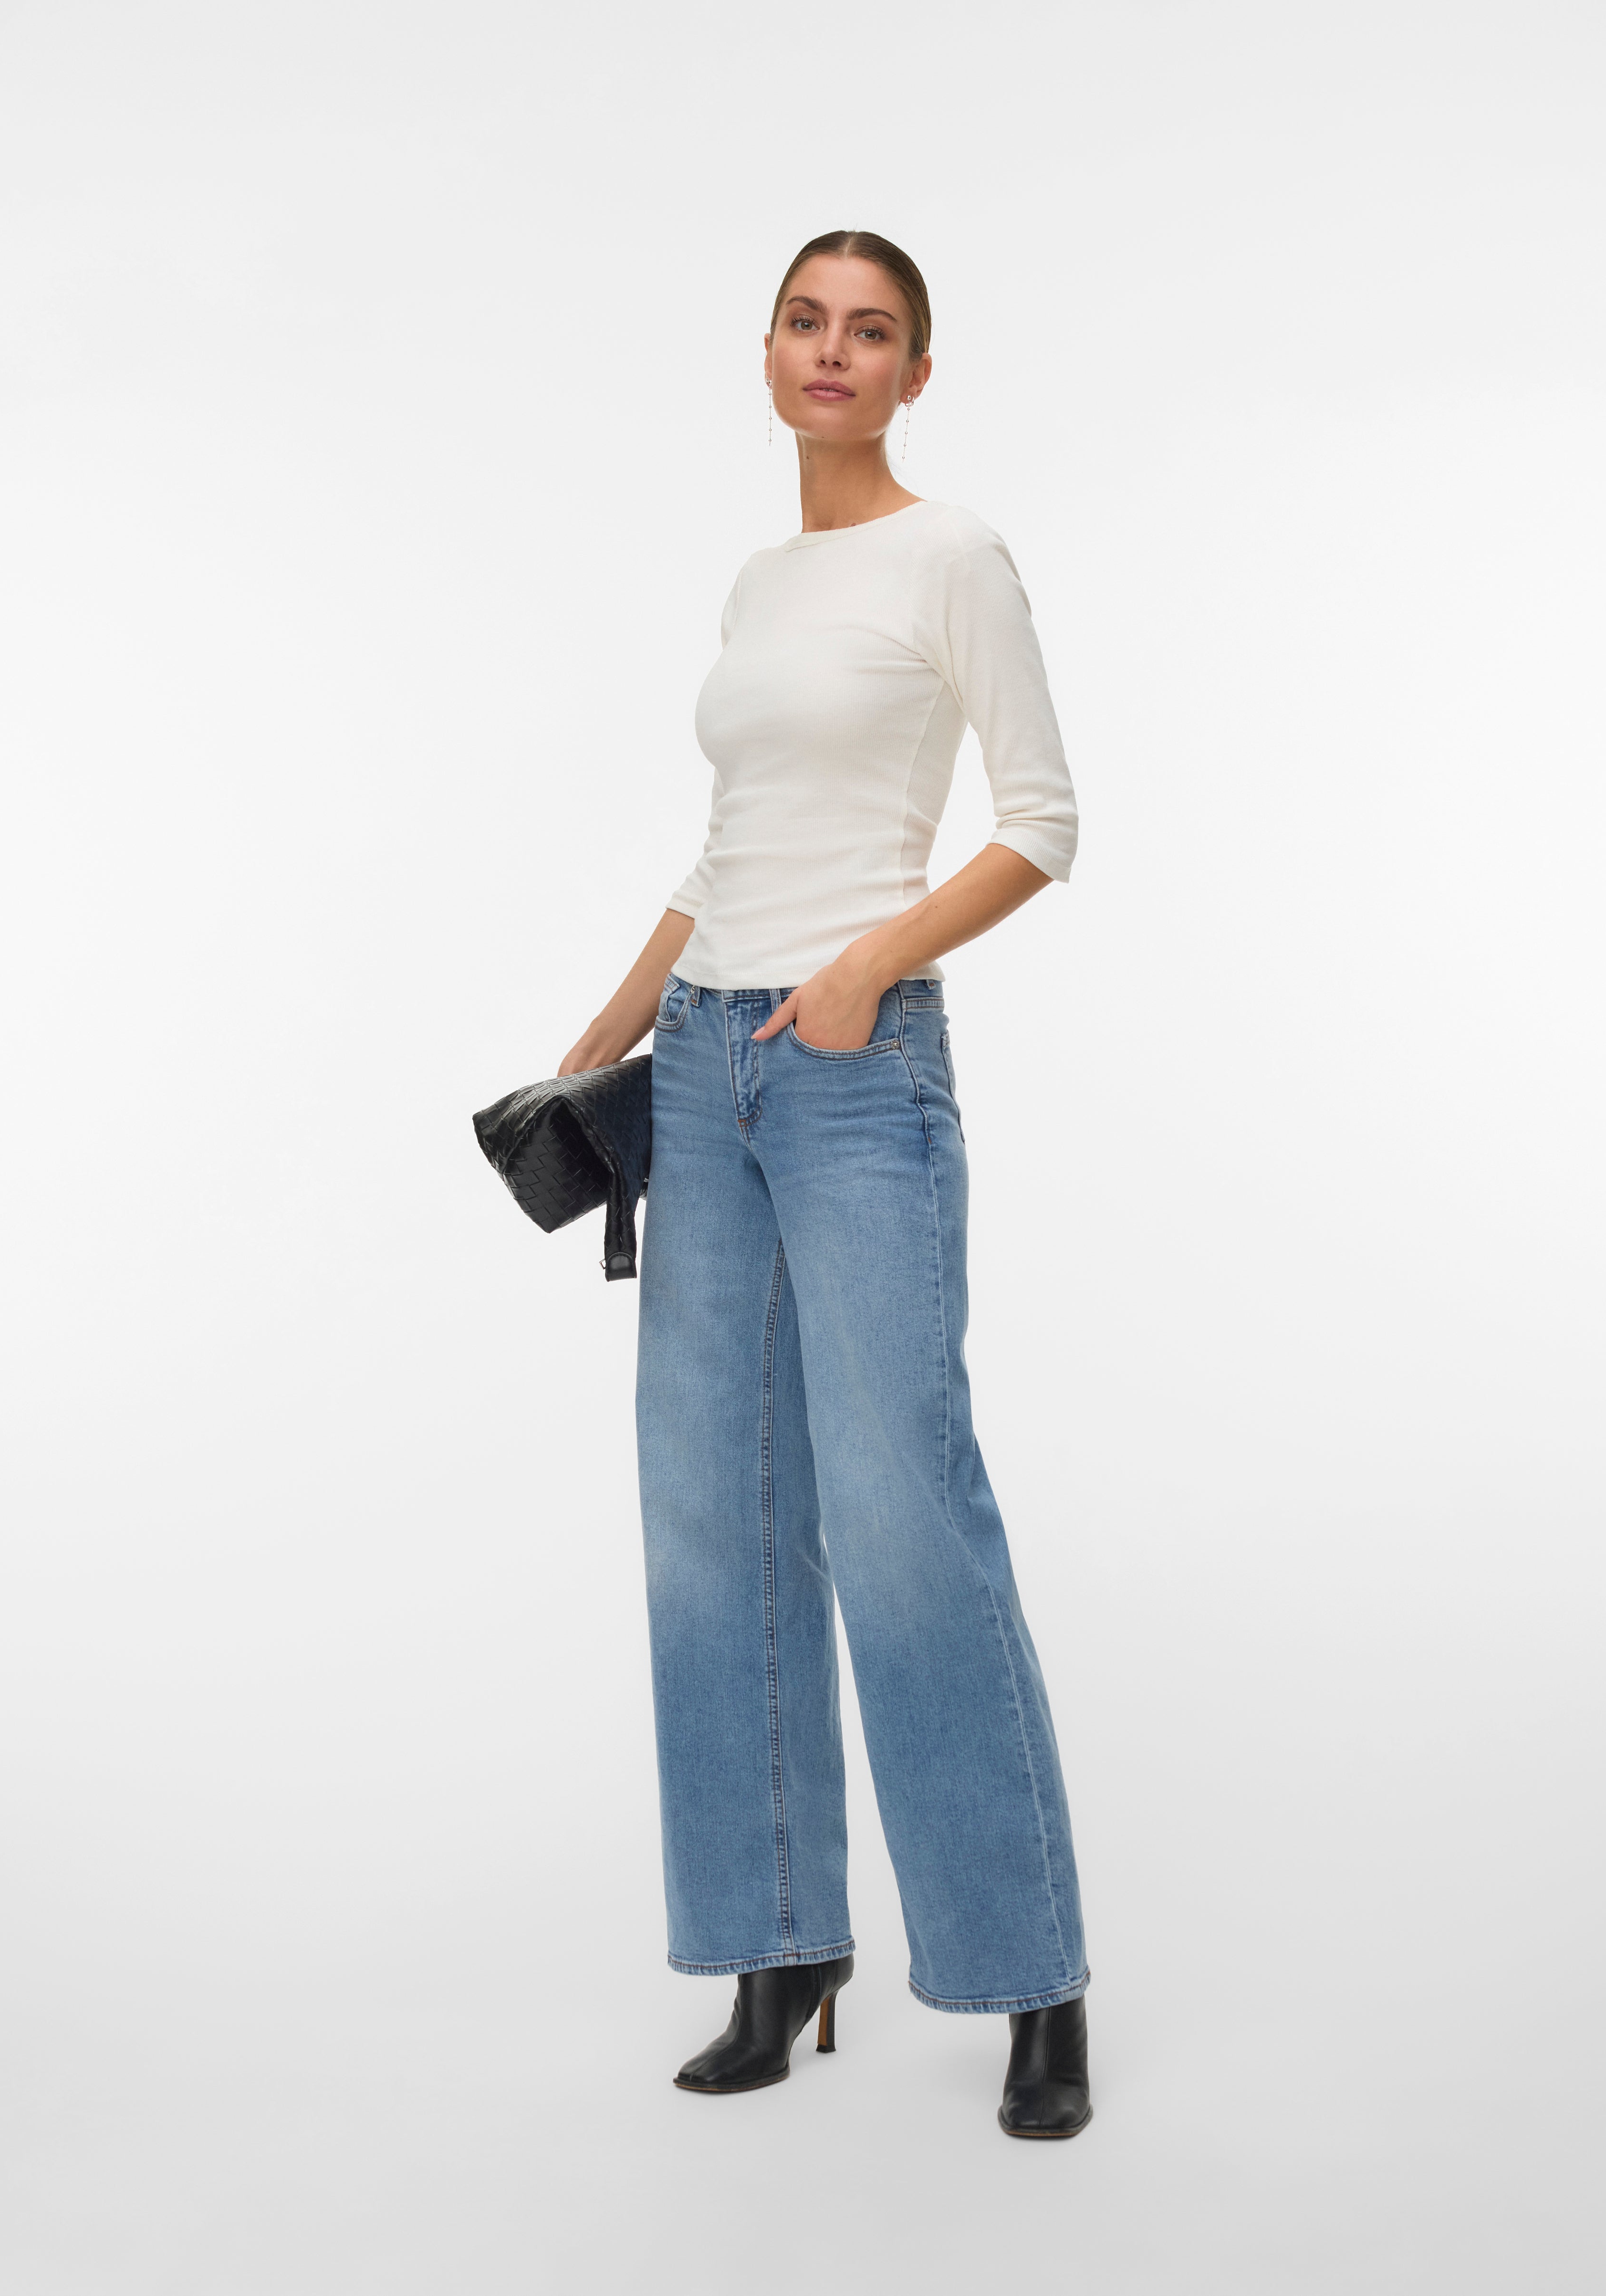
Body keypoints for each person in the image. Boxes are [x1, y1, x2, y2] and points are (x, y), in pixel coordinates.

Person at [557, 230, 1091, 2139]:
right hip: (707, 1068)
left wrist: (868, 965)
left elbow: (1043, 822)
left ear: (914, 374)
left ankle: (1031, 1976)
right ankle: (777, 1947)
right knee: (713, 1520)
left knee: (902, 1516)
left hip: (860, 1072)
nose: (833, 351)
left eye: (872, 331)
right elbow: (729, 846)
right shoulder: (763, 579)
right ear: (769, 350)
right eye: (806, 321)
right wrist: (604, 1040)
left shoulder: (954, 556)